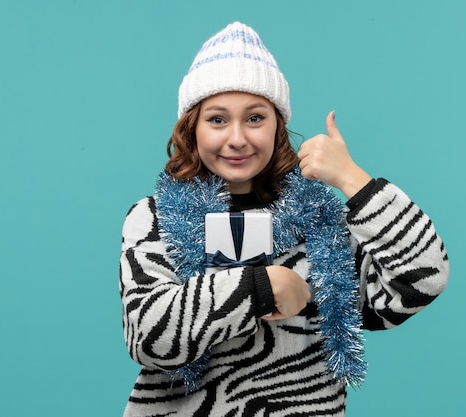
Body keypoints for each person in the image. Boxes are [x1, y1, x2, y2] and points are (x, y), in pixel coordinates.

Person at [119, 21, 449, 417]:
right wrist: (262, 286)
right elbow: (149, 336)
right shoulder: (154, 218)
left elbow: (422, 278)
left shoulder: (320, 224)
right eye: (218, 119)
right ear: (192, 128)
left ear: (278, 126)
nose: (237, 138)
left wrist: (352, 179)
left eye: (255, 118)